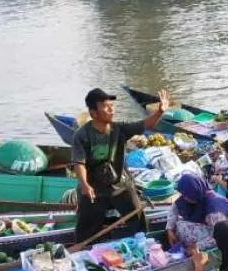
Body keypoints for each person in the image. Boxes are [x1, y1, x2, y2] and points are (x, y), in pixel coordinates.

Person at [71, 86, 167, 244]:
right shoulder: (81, 136)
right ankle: (87, 248)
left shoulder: (119, 129)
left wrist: (160, 111)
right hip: (93, 189)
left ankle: (142, 244)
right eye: (105, 106)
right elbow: (79, 163)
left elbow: (146, 124)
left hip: (119, 184)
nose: (111, 109)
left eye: (111, 105)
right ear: (93, 113)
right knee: (84, 233)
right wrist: (84, 185)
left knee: (138, 220)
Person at [167, 172, 228, 251]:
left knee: (182, 228)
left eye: (187, 196)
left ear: (195, 193)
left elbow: (219, 236)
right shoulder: (196, 195)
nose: (184, 198)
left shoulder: (213, 208)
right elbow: (174, 208)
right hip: (212, 226)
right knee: (179, 225)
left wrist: (196, 246)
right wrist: (169, 230)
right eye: (183, 195)